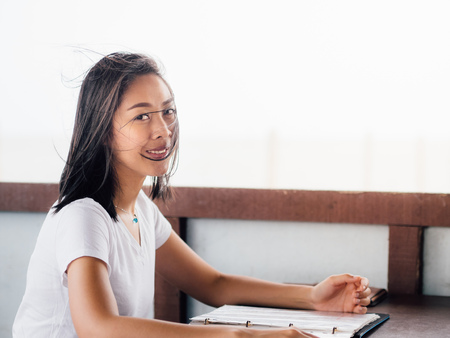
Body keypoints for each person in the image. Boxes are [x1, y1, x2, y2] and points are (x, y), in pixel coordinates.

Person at [13, 52, 371, 338]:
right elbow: (99, 327)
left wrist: (311, 297)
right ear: (104, 131)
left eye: (167, 111)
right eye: (142, 117)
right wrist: (244, 337)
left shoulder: (140, 209)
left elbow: (213, 285)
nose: (163, 130)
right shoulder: (83, 215)